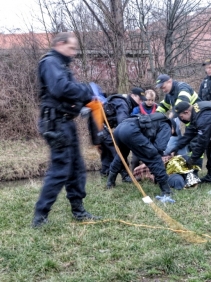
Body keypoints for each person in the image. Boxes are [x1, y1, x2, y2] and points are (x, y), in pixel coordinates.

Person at [32, 32, 101, 228]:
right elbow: (60, 89)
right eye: (71, 48)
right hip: (55, 124)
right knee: (60, 169)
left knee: (77, 168)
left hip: (66, 122)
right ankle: (40, 216)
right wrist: (87, 90)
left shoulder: (62, 65)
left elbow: (68, 95)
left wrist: (85, 102)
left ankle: (78, 210)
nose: (73, 53)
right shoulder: (50, 62)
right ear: (60, 44)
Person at [106, 113, 175, 202]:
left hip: (120, 128)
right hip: (130, 130)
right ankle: (166, 190)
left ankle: (110, 182)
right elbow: (159, 148)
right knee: (153, 156)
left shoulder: (157, 120)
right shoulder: (167, 126)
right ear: (173, 127)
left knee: (121, 155)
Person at [100, 87, 147, 180]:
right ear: (133, 95)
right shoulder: (123, 104)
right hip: (101, 127)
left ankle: (105, 174)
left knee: (107, 152)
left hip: (99, 127)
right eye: (140, 99)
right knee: (118, 151)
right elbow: (122, 123)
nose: (141, 102)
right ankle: (125, 176)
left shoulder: (125, 102)